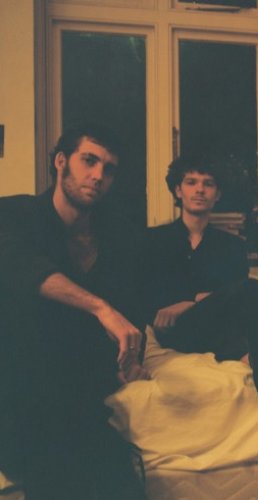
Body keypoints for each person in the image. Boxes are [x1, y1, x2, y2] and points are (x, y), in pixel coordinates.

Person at [0, 123, 148, 499]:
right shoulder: (15, 213)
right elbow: (17, 265)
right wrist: (100, 308)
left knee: (115, 474)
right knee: (57, 456)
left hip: (83, 389)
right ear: (61, 162)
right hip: (23, 383)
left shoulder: (117, 235)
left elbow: (132, 311)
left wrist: (131, 360)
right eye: (89, 161)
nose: (98, 175)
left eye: (108, 169)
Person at [146, 153, 258, 400]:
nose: (200, 190)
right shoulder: (154, 240)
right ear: (178, 190)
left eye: (208, 184)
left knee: (253, 290)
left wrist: (188, 302)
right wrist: (202, 297)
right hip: (173, 333)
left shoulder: (232, 246)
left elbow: (233, 297)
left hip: (215, 332)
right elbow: (150, 294)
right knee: (252, 289)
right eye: (191, 182)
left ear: (217, 194)